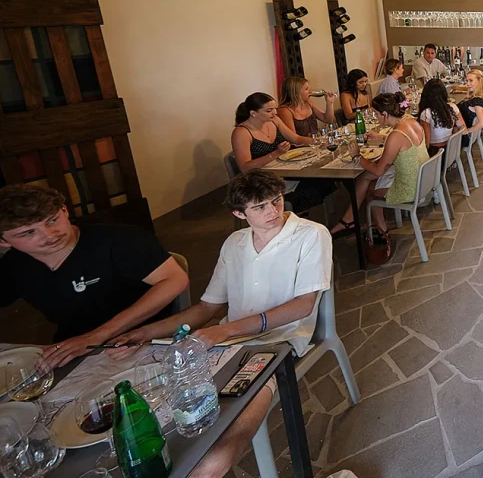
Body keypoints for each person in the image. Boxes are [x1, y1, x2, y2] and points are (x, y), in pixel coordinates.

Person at [110, 170, 332, 478]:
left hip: (275, 346)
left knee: (221, 447)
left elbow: (303, 305)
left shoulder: (310, 234)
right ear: (239, 213)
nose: (273, 212)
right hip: (227, 343)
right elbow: (207, 307)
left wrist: (225, 330)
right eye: (260, 207)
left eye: (276, 200)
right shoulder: (235, 243)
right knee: (160, 402)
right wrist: (143, 332)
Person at [0, 184, 189, 369]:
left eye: (52, 220)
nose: (50, 235)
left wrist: (96, 335)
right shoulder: (13, 264)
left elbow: (175, 280)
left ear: (64, 210)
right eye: (28, 233)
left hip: (141, 340)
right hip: (74, 350)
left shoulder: (119, 240)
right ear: (3, 241)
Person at [230, 93, 338, 221]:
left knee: (325, 179)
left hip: (286, 172)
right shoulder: (241, 132)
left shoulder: (274, 121)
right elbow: (245, 168)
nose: (275, 113)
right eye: (269, 110)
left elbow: (295, 138)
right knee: (313, 187)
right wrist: (276, 153)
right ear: (253, 113)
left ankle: (302, 218)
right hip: (262, 180)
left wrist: (318, 141)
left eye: (274, 108)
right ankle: (295, 220)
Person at [355, 92, 429, 263]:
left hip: (409, 189)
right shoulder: (411, 121)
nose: (375, 117)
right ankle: (351, 220)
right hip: (422, 181)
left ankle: (382, 232)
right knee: (367, 178)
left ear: (385, 114)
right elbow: (401, 142)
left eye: (376, 113)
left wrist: (357, 157)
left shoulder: (396, 135)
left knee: (370, 192)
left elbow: (379, 170)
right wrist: (381, 137)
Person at [417, 78, 463, 154]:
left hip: (436, 153)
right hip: (451, 150)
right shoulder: (452, 107)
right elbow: (462, 128)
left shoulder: (426, 113)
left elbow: (426, 144)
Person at [457, 69, 483, 146]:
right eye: (467, 81)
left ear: (479, 81)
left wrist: (468, 130)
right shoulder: (479, 96)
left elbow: (482, 123)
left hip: (464, 137)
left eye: (471, 81)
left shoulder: (477, 101)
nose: (467, 84)